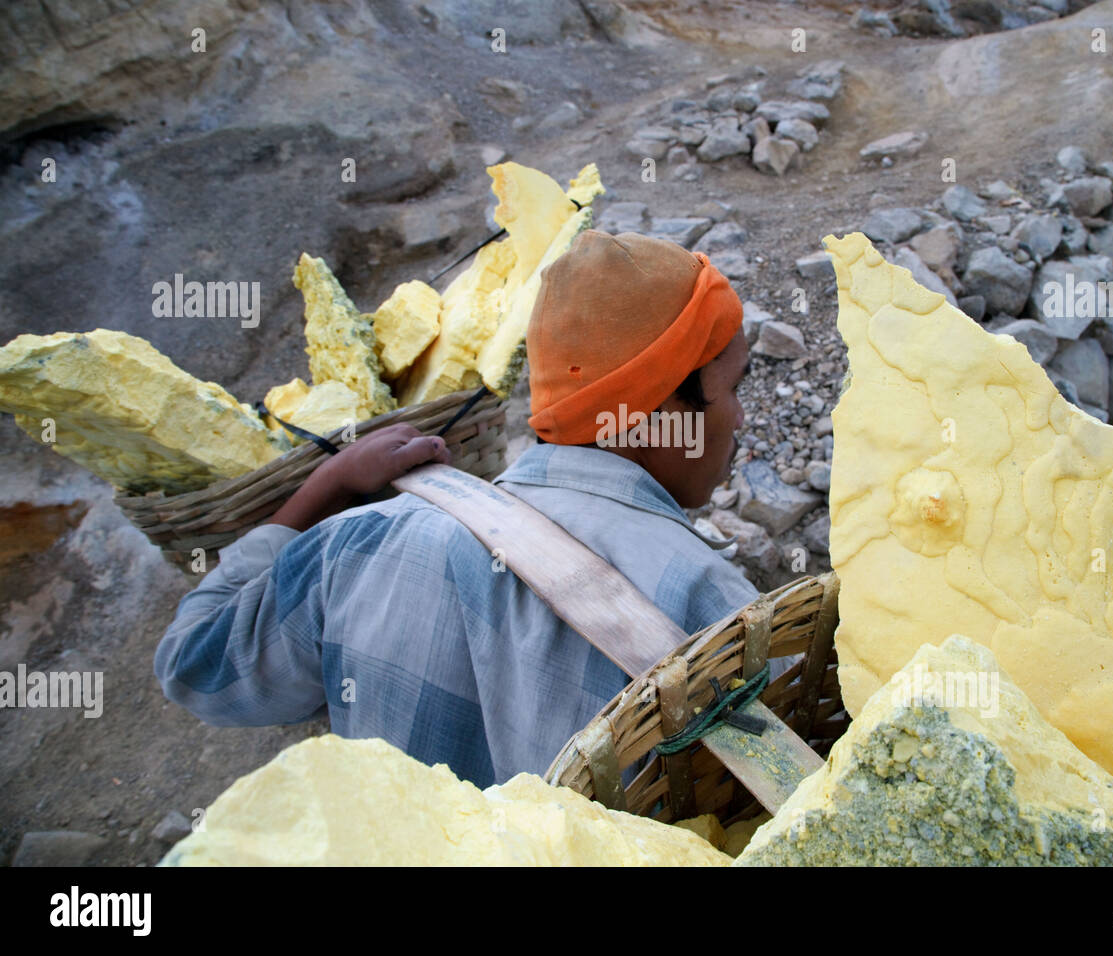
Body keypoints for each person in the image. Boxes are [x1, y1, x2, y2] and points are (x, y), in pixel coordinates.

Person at [155, 230, 756, 787]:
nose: (742, 418)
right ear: (657, 413)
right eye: (734, 388)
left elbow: (193, 667)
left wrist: (328, 484)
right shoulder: (720, 616)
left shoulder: (354, 545)